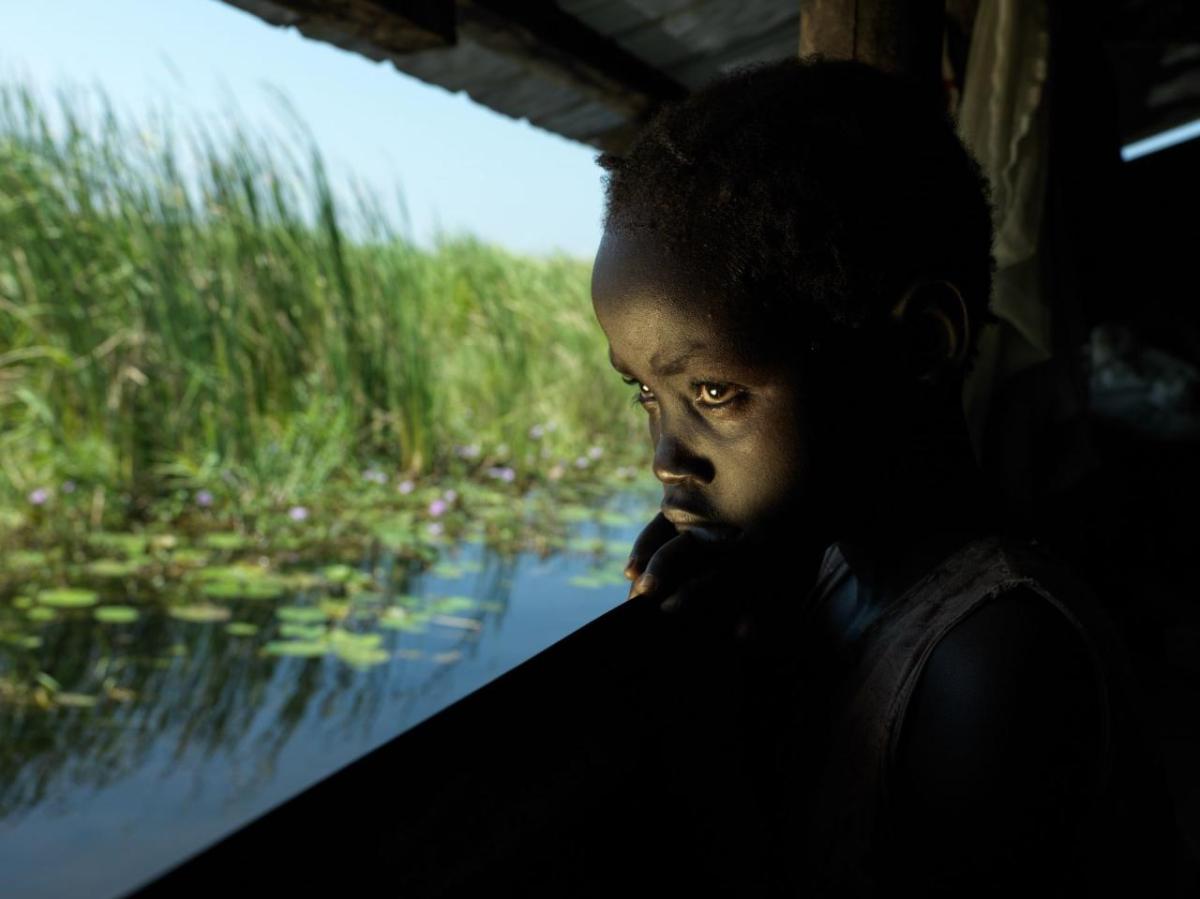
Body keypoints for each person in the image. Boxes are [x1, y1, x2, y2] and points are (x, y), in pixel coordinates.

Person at [589, 57, 1185, 896]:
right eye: (647, 393)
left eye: (715, 392)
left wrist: (701, 730)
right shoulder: (834, 565)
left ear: (918, 348)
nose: (664, 456)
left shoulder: (994, 666)